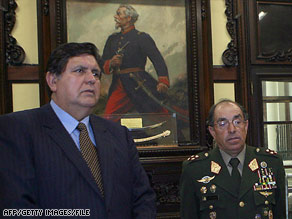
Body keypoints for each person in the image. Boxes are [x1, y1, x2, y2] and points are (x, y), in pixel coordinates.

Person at [0, 42, 156, 218]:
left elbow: (143, 198)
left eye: (96, 73)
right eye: (80, 71)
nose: (91, 79)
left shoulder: (119, 134)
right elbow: (16, 209)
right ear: (52, 81)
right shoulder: (17, 129)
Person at [180, 99, 286, 219]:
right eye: (222, 124)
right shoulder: (195, 169)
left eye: (237, 122)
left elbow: (280, 213)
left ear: (245, 126)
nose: (232, 129)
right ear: (212, 131)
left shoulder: (271, 162)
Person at [102, 4, 170, 116]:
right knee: (109, 117)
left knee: (157, 115)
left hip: (139, 83)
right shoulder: (112, 39)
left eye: (119, 14)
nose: (115, 16)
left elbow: (157, 59)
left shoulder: (142, 37)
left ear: (129, 18)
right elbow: (103, 62)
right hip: (119, 85)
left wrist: (163, 81)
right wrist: (111, 63)